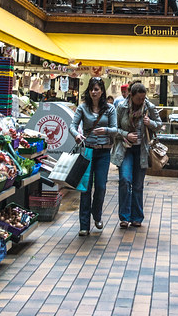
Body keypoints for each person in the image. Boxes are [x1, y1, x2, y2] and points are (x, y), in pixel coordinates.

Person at [69, 77, 117, 237]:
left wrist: (105, 131)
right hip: (87, 151)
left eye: (97, 89)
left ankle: (97, 215)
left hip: (103, 152)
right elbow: (72, 126)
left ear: (102, 91)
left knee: (101, 186)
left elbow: (115, 129)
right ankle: (84, 225)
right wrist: (76, 135)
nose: (94, 92)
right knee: (85, 188)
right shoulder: (83, 108)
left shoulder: (110, 109)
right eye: (91, 89)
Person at [111, 81, 162, 229]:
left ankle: (137, 217)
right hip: (125, 149)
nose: (141, 101)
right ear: (131, 96)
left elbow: (159, 124)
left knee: (138, 185)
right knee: (125, 180)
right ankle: (124, 217)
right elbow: (114, 129)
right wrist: (126, 134)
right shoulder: (121, 107)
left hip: (142, 150)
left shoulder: (149, 107)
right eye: (138, 98)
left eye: (143, 98)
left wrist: (150, 122)